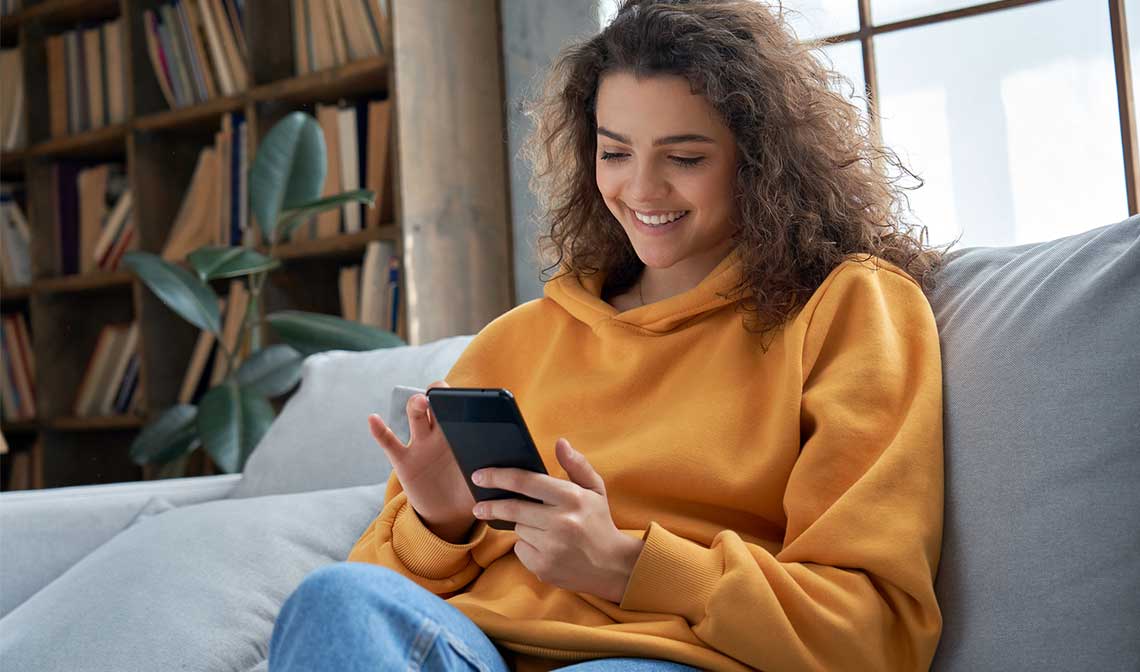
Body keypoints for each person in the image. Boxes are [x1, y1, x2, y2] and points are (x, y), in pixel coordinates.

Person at [269, 0, 953, 670]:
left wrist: (625, 563)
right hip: (475, 649)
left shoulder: (848, 308)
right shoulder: (517, 340)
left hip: (668, 655)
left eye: (684, 157)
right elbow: (378, 607)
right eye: (616, 152)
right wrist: (440, 524)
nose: (642, 189)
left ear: (762, 160)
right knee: (335, 598)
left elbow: (873, 636)